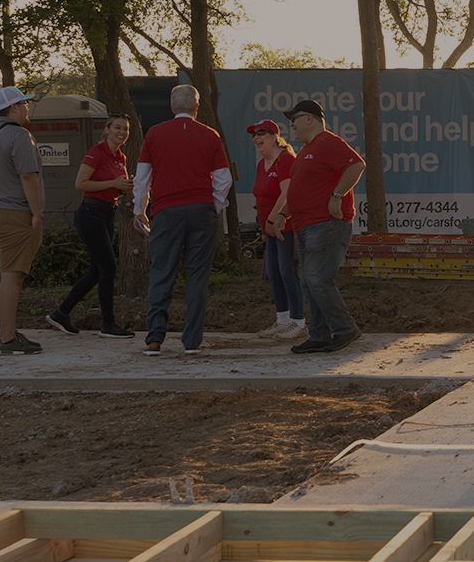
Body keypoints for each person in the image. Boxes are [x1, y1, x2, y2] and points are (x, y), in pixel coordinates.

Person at [132, 83, 231, 357]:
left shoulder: (154, 134)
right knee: (197, 276)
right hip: (201, 210)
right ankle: (192, 341)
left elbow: (142, 178)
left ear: (172, 106)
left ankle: (154, 339)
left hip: (166, 212)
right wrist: (214, 205)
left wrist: (139, 210)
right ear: (196, 107)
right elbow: (224, 179)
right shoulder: (210, 135)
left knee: (162, 272)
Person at [268, 98, 364, 355]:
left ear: (310, 118)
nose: (292, 126)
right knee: (309, 282)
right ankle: (319, 335)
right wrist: (281, 214)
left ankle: (345, 329)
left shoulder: (328, 142)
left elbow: (356, 165)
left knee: (317, 278)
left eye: (295, 120)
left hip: (326, 224)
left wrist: (337, 195)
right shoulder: (306, 153)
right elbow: (300, 190)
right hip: (307, 225)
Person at [49, 115, 135, 338]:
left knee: (97, 271)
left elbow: (115, 188)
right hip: (90, 213)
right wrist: (113, 184)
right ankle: (108, 324)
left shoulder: (121, 158)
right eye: (117, 127)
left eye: (125, 129)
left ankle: (61, 313)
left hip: (107, 213)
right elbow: (81, 184)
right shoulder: (96, 153)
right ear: (106, 129)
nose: (122, 132)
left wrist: (124, 187)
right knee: (108, 269)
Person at [0, 84, 47, 356]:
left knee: (7, 274)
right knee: (11, 277)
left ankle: (8, 332)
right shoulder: (19, 135)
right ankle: (7, 339)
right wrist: (38, 212)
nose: (27, 108)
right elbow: (28, 176)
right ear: (14, 108)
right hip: (14, 215)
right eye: (24, 104)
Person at [245, 120, 306, 342]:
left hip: (284, 226)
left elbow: (287, 193)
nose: (256, 138)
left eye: (261, 133)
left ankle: (298, 321)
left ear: (274, 136)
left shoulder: (286, 160)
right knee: (274, 272)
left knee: (287, 271)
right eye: (254, 134)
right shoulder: (263, 164)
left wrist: (273, 219)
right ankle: (282, 320)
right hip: (268, 229)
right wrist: (264, 227)